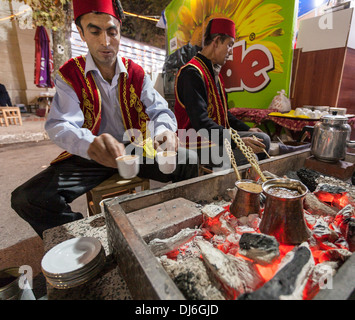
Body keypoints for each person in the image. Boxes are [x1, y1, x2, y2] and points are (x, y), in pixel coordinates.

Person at [11, 0, 199, 238]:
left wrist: (164, 131)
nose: (105, 42)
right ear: (81, 33)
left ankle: (180, 225)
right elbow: (61, 124)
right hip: (92, 153)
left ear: (119, 31)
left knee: (188, 161)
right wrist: (89, 144)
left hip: (135, 148)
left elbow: (159, 110)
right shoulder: (70, 75)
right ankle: (87, 241)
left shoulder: (136, 73)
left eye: (112, 32)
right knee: (28, 198)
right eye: (95, 31)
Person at [174, 18, 270, 169]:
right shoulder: (191, 73)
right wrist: (236, 141)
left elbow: (224, 114)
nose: (231, 52)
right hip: (196, 144)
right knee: (249, 155)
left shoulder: (214, 74)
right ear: (217, 41)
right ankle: (234, 190)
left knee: (263, 140)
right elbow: (201, 123)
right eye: (230, 45)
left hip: (217, 139)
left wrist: (246, 129)